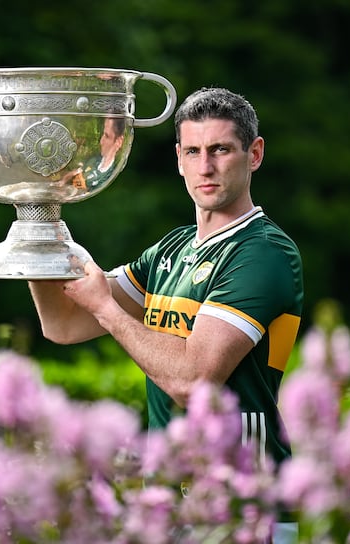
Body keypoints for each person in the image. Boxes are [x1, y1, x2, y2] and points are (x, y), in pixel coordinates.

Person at [28, 87, 303, 543]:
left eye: (220, 150)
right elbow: (63, 324)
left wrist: (105, 308)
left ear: (254, 154)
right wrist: (39, 215)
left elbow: (194, 381)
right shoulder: (171, 250)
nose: (205, 166)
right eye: (193, 151)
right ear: (178, 158)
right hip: (170, 504)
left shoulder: (264, 253)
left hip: (245, 503)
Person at [60, 116, 126, 190]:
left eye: (107, 136)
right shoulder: (93, 160)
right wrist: (63, 182)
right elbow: (76, 172)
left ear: (119, 142)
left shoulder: (114, 173)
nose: (101, 141)